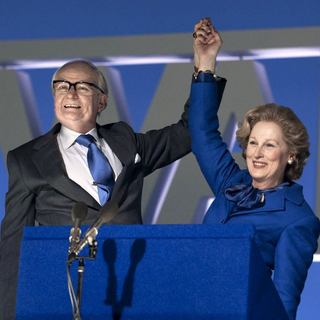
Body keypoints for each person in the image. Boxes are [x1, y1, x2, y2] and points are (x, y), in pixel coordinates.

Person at [0, 57, 215, 319]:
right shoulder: (26, 159)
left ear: (102, 101)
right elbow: (14, 243)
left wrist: (204, 67)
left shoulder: (126, 142)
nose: (70, 92)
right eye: (62, 86)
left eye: (83, 87)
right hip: (67, 297)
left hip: (132, 290)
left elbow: (187, 133)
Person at [190, 18, 320, 320]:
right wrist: (206, 62)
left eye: (270, 145)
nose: (257, 154)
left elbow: (283, 303)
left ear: (291, 156)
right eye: (253, 143)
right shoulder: (230, 182)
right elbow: (201, 133)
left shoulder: (299, 220)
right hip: (190, 305)